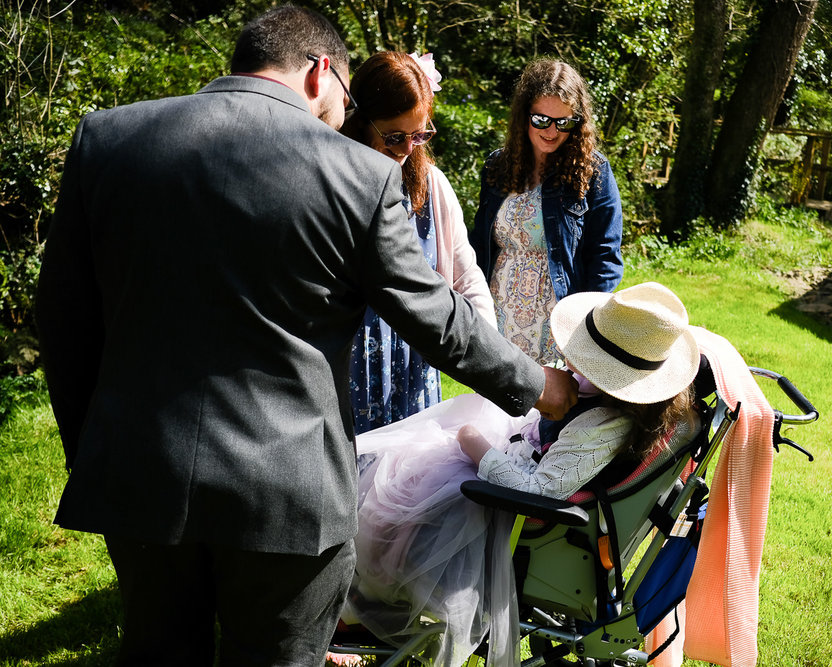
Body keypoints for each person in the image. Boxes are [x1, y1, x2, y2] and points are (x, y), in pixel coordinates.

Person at [34, 6, 576, 666]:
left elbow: (62, 322)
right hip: (288, 495)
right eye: (346, 96)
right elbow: (438, 318)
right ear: (323, 71)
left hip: (141, 480)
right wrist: (541, 386)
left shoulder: (109, 141)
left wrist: (95, 450)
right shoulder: (359, 175)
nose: (341, 115)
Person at [342, 282, 701, 666]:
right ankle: (362, 603)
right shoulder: (609, 401)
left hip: (508, 511)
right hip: (510, 464)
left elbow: (539, 490)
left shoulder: (602, 427)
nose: (569, 359)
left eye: (584, 355)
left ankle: (363, 610)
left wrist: (473, 444)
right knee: (399, 477)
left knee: (397, 504)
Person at [339, 51, 496, 433]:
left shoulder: (432, 185)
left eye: (420, 134)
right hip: (348, 367)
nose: (408, 148)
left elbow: (466, 278)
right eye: (394, 136)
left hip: (412, 372)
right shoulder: (336, 182)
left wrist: (490, 355)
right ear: (361, 122)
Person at [470, 58, 624, 365]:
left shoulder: (594, 172)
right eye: (541, 120)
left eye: (563, 122)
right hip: (497, 316)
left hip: (559, 324)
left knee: (553, 410)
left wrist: (585, 329)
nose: (552, 132)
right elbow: (478, 246)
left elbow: (605, 258)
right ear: (523, 116)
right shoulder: (497, 166)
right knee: (492, 410)